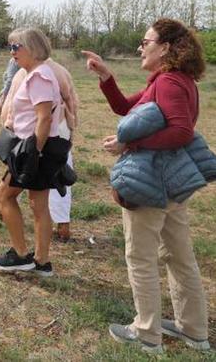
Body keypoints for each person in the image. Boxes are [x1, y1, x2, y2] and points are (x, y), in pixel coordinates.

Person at [82, 19, 210, 354]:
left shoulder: (167, 83)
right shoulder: (173, 81)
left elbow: (181, 132)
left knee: (140, 257)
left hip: (153, 184)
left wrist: (129, 145)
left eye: (145, 41)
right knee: (180, 256)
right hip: (172, 185)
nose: (141, 47)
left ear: (165, 47)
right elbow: (125, 107)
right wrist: (106, 77)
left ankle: (146, 334)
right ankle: (194, 331)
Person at [0, 28, 70, 277]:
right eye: (10, 47)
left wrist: (32, 154)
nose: (12, 53)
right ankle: (42, 262)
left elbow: (44, 118)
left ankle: (20, 254)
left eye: (16, 47)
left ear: (32, 48)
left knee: (4, 195)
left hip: (34, 148)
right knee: (39, 205)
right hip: (38, 147)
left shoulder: (39, 77)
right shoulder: (37, 74)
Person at [0, 56, 79, 241]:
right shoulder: (58, 69)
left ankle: (6, 213)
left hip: (36, 135)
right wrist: (72, 124)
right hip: (58, 130)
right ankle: (62, 225)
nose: (14, 53)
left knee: (23, 180)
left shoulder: (32, 73)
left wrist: (7, 120)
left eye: (16, 48)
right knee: (55, 179)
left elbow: (12, 93)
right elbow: (71, 100)